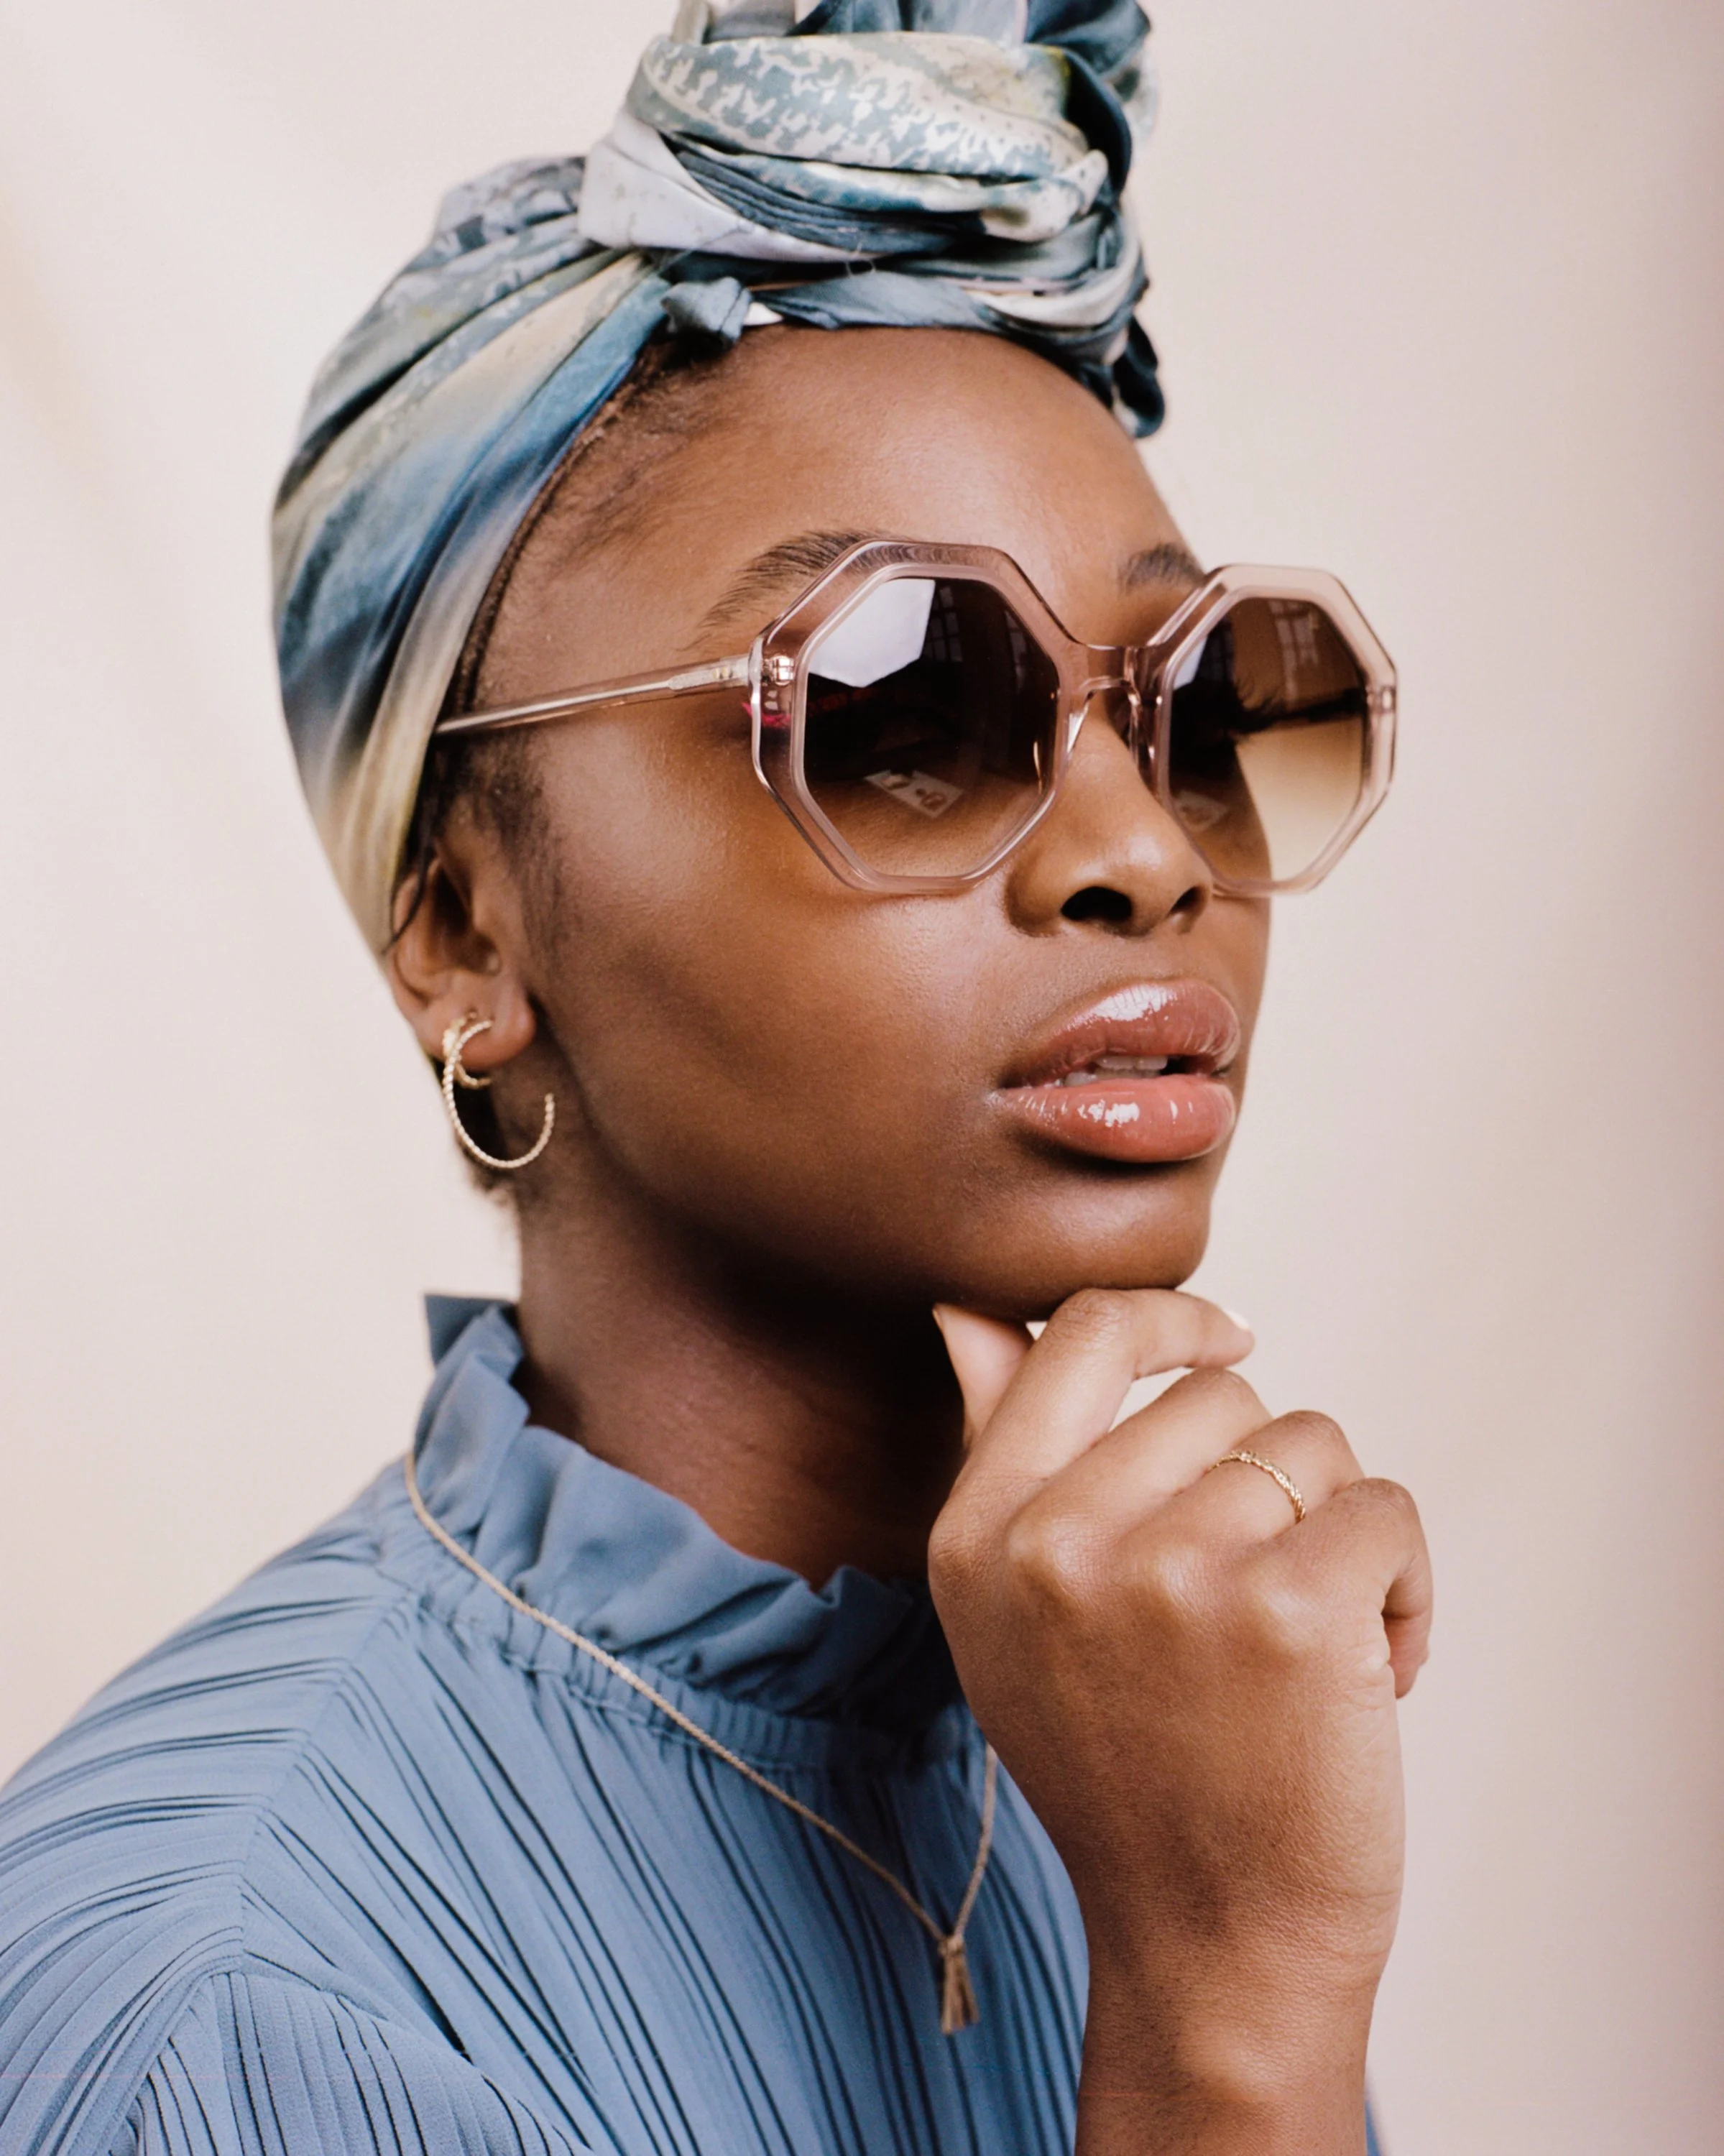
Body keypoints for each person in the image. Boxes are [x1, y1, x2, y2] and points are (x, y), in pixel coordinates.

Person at [0, 4, 1426, 2152]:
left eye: (1207, 700)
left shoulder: (1115, 1745)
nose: (1145, 852)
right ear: (463, 931)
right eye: (896, 700)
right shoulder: (231, 2007)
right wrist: (1234, 2036)